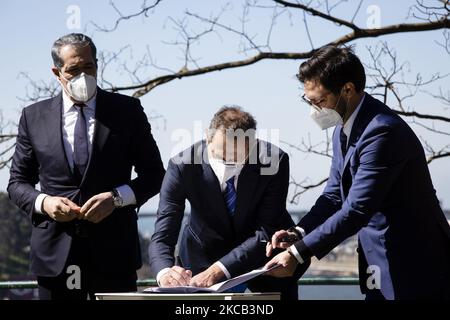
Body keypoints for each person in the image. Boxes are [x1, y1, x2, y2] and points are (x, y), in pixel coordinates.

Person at [265, 46, 450, 300]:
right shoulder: (342, 128)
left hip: (415, 265)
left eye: (319, 101)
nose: (315, 110)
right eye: (309, 101)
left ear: (348, 90)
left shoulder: (382, 132)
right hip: (379, 264)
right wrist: (299, 232)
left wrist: (297, 253)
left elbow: (356, 210)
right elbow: (333, 195)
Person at [7, 33, 165, 300]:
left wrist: (115, 198)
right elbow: (17, 183)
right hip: (55, 256)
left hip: (114, 252)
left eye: (88, 67)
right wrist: (44, 203)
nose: (83, 75)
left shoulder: (127, 111)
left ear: (97, 65)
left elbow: (154, 175)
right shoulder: (33, 117)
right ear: (57, 73)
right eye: (74, 70)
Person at [149, 106, 309, 300]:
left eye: (238, 158)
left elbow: (267, 228)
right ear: (208, 138)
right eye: (222, 155)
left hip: (265, 256)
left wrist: (219, 270)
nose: (229, 163)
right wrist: (165, 273)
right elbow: (164, 231)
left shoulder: (274, 160)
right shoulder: (182, 165)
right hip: (203, 255)